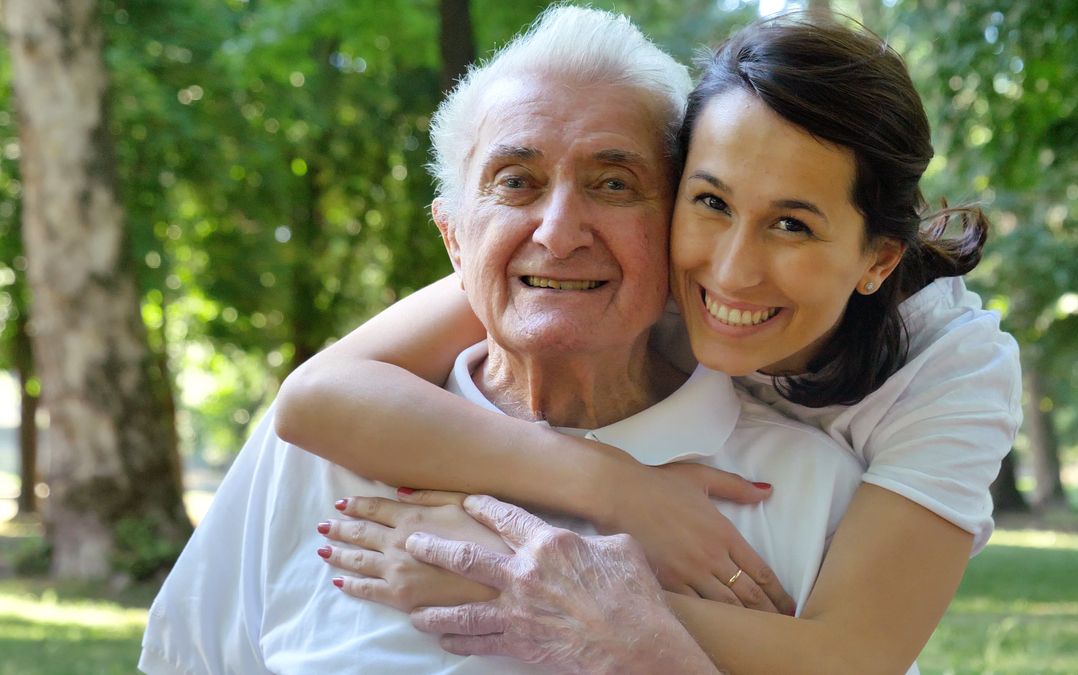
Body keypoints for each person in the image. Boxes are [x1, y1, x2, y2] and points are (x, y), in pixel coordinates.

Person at [276, 6, 1021, 673]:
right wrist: (612, 485)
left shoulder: (951, 371)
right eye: (711, 201)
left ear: (878, 259)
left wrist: (515, 573)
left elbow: (848, 657)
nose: (730, 270)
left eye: (792, 224)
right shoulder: (621, 258)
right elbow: (318, 397)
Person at [138, 7, 871, 674]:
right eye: (516, 181)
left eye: (614, 184)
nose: (558, 231)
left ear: (679, 224)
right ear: (454, 237)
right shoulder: (318, 453)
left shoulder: (806, 489)